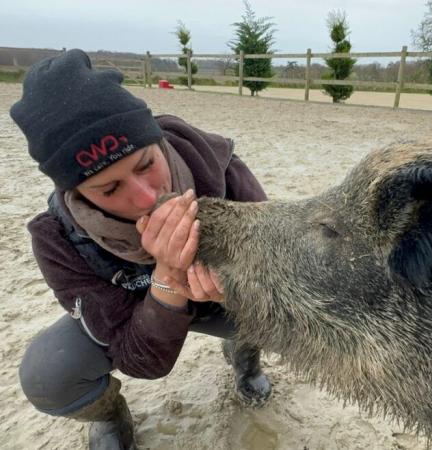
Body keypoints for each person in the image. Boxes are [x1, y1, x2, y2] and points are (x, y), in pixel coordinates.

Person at [10, 49, 272, 450]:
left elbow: (275, 266)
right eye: (110, 188)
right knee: (50, 375)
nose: (145, 196)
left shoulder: (217, 166)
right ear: (75, 191)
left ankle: (245, 358)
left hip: (222, 304)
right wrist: (168, 278)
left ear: (156, 139)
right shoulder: (57, 239)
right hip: (137, 319)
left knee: (279, 311)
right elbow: (143, 362)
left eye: (145, 163)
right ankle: (110, 415)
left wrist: (235, 286)